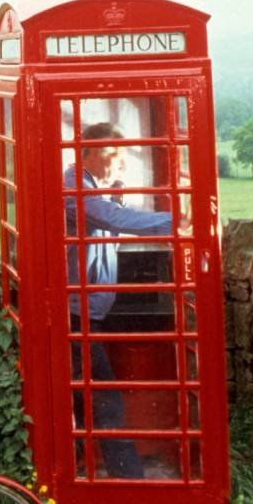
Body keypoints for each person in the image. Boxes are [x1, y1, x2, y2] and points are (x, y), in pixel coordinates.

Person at [65, 121, 175, 478]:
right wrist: (179, 221)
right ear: (93, 152)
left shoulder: (92, 187)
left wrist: (116, 189)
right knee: (106, 399)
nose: (121, 161)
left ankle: (87, 473)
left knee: (91, 400)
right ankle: (129, 479)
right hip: (73, 314)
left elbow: (105, 226)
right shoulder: (73, 187)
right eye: (115, 153)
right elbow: (112, 219)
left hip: (86, 311)